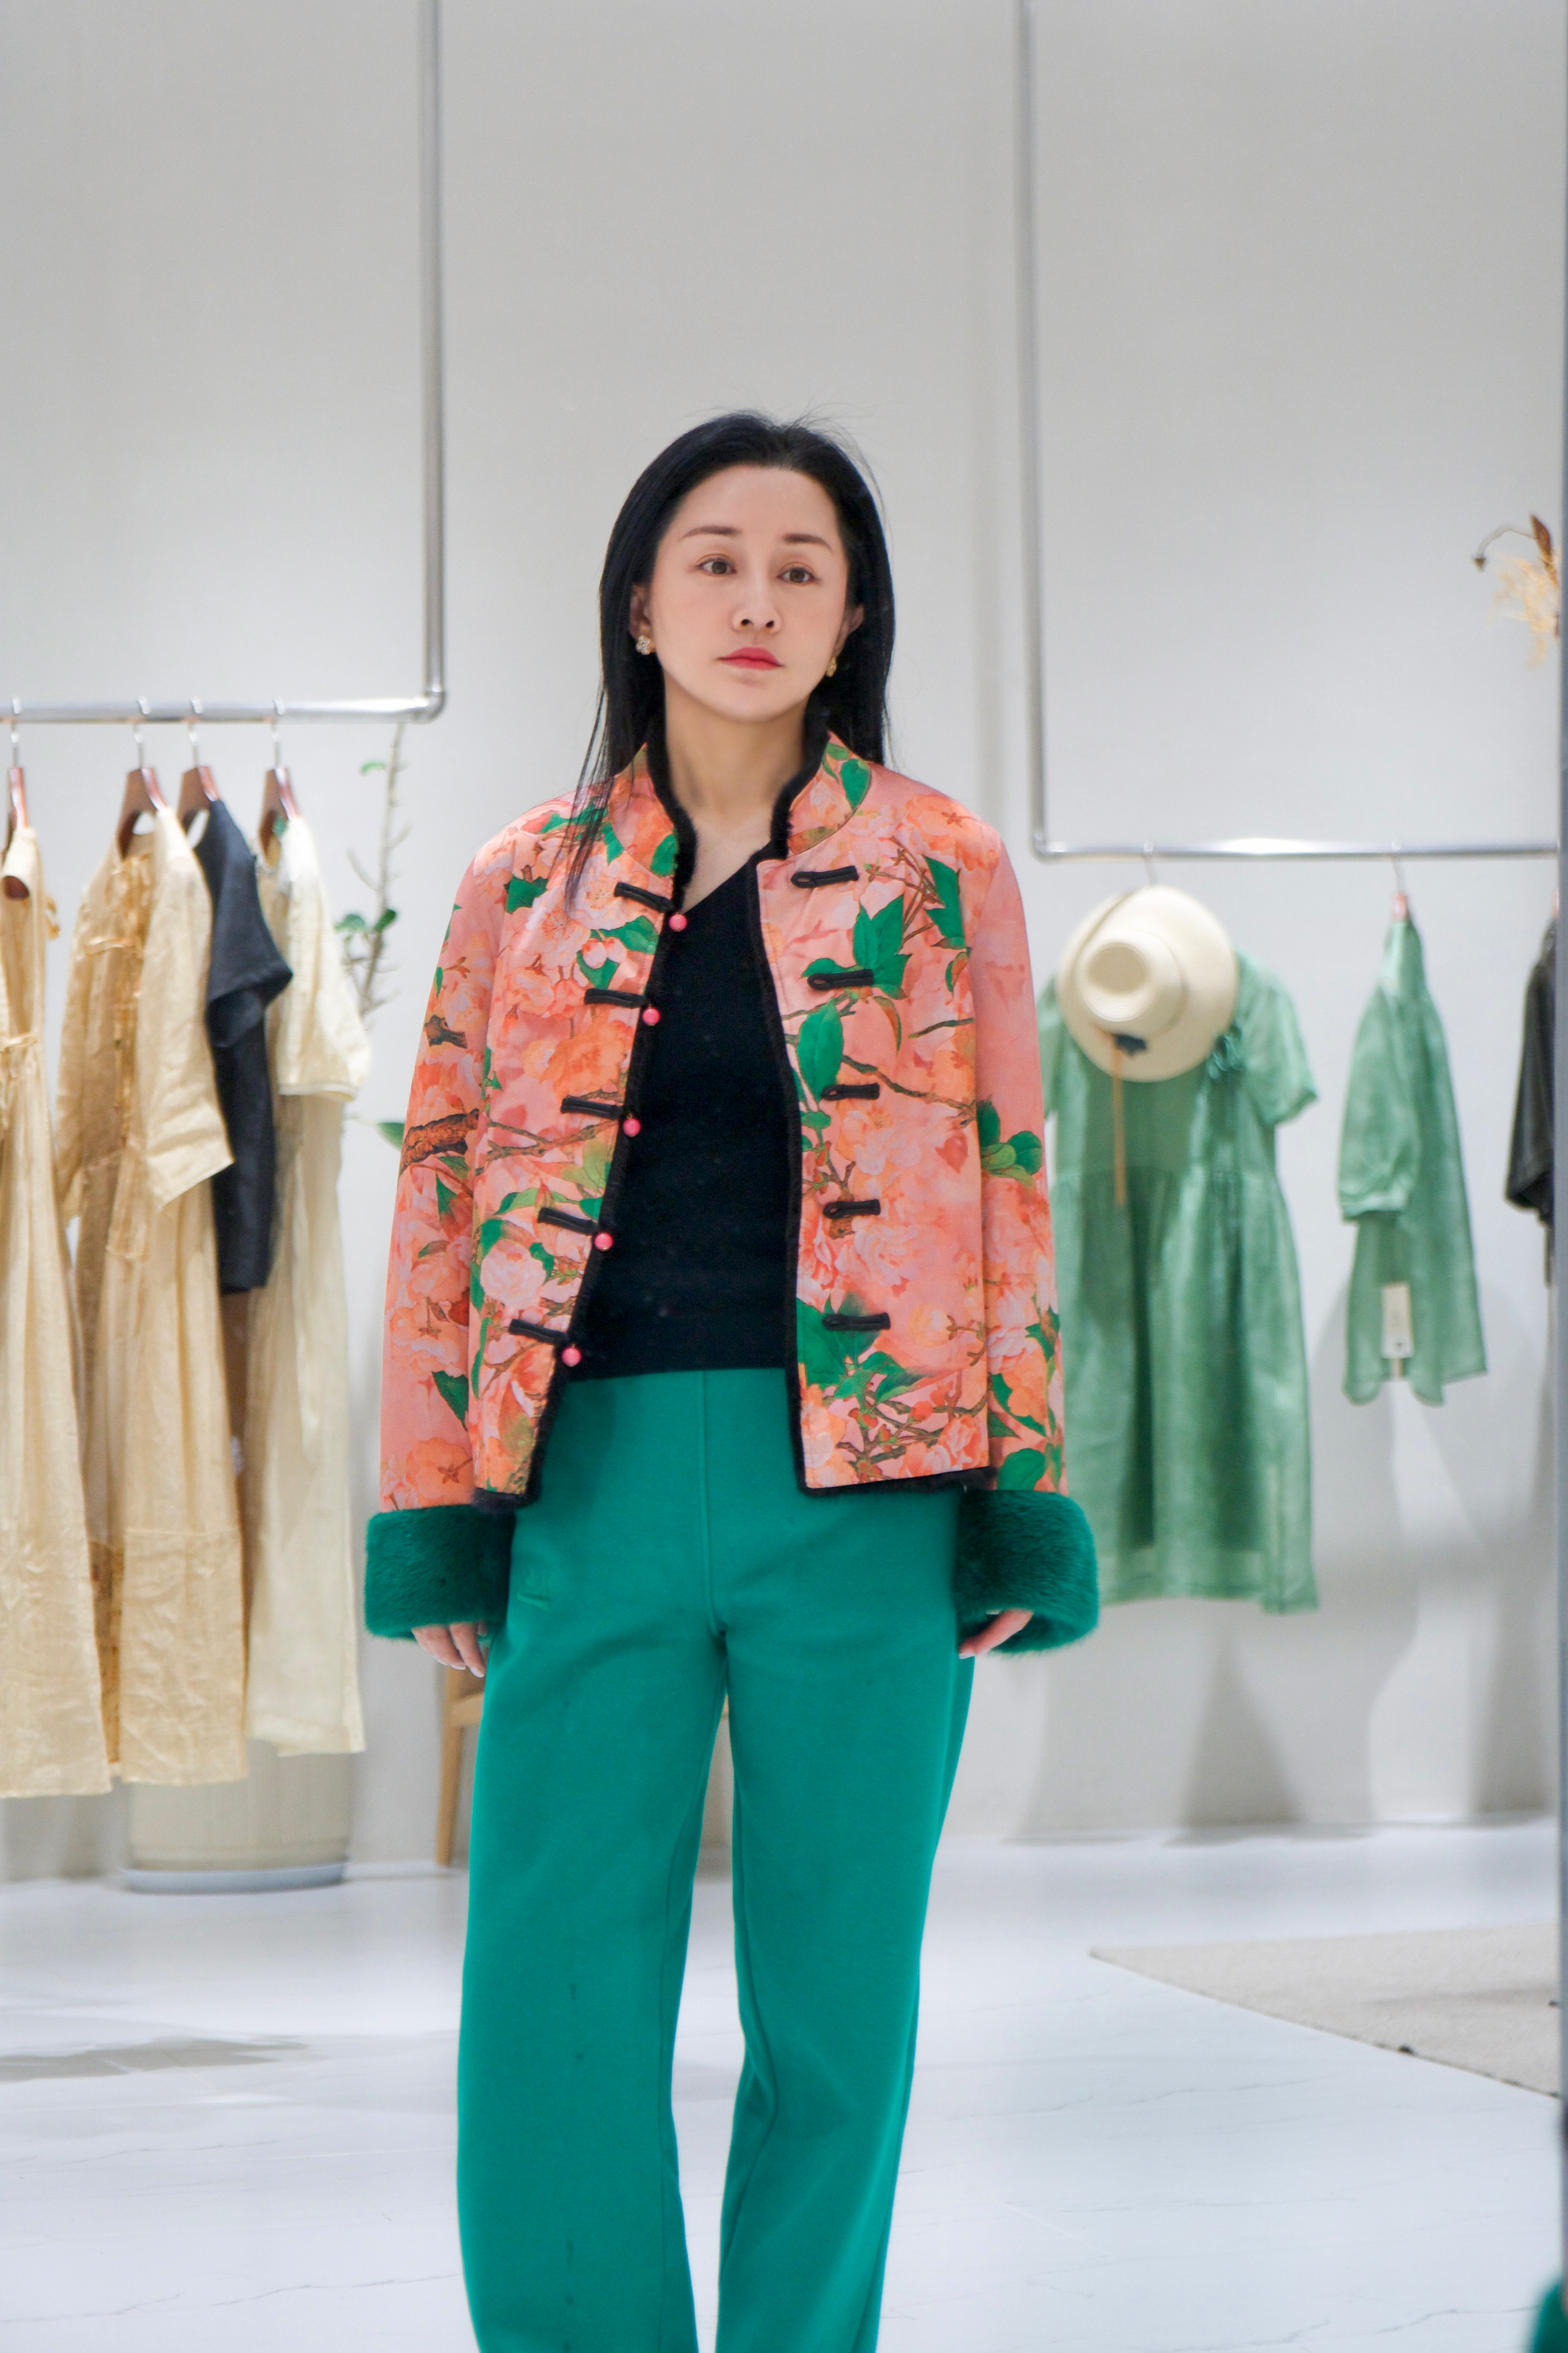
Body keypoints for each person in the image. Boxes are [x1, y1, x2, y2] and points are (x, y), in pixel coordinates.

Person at [365, 411, 1098, 2353]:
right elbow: (439, 1198)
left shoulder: (941, 867)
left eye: (799, 566)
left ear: (852, 615)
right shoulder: (520, 883)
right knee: (550, 2001)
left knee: (836, 2011)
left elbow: (1010, 1184)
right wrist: (438, 1514)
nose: (754, 600)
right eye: (714, 560)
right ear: (640, 602)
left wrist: (1016, 1488)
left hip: (866, 1501)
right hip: (588, 1489)